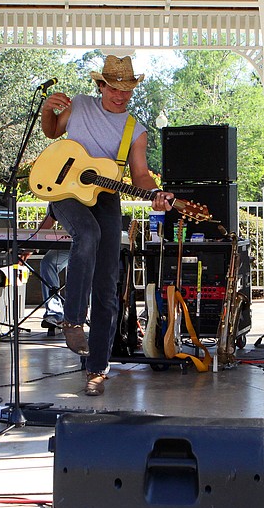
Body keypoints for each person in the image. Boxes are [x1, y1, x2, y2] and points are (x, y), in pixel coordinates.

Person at [41, 54, 172, 396]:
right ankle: (71, 319)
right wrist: (47, 111)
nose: (120, 95)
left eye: (126, 90)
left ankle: (97, 368)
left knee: (106, 286)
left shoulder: (135, 130)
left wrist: (156, 193)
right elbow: (53, 131)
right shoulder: (81, 105)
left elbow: (140, 175)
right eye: (114, 88)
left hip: (106, 197)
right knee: (87, 234)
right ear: (100, 85)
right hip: (65, 189)